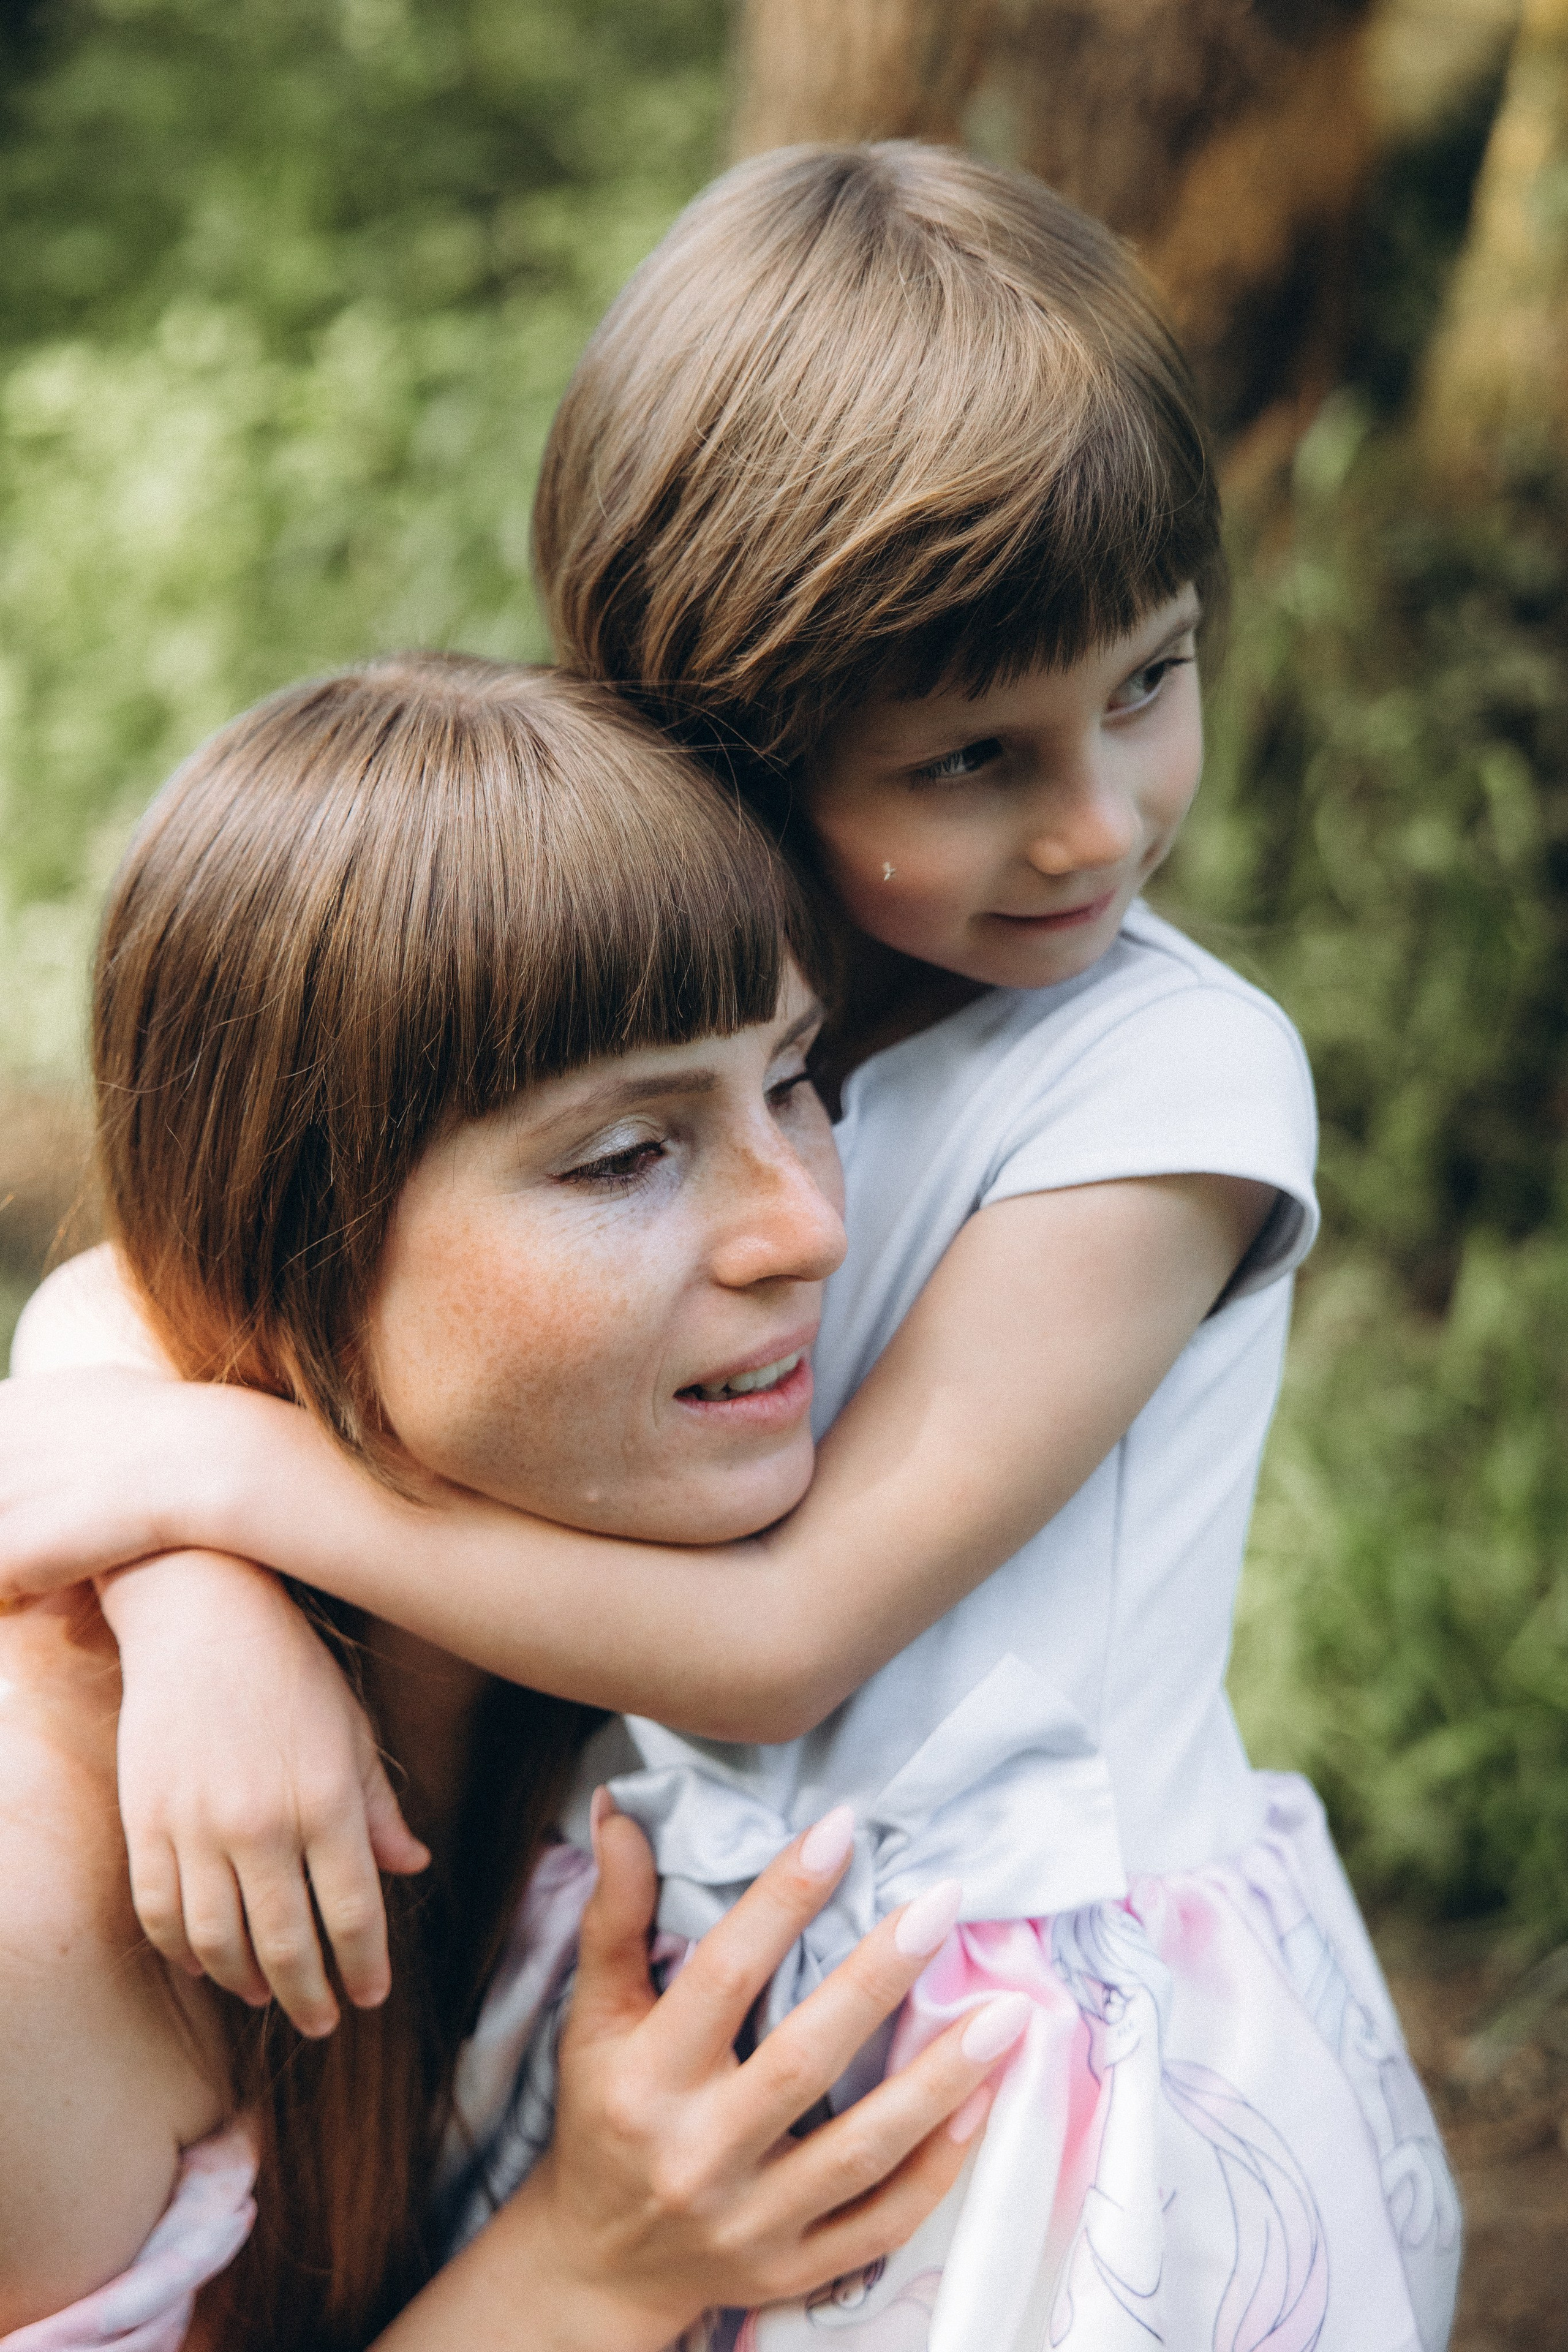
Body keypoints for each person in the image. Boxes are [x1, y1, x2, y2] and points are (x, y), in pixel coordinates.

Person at [0, 147, 1461, 2348]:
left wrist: (223, 1491)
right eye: (975, 753)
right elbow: (161, 1276)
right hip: (699, 1975)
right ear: (741, 726)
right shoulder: (691, 954)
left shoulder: (1162, 1085)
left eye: (1151, 683)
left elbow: (782, 1640)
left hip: (1014, 2059)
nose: (1097, 821)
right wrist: (203, 1614)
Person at [0, 655, 1022, 2351]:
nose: (808, 1230)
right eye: (626, 1156)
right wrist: (585, 2271)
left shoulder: (613, 1576)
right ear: (294, 1245)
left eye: (794, 1083)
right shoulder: (42, 1926)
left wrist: (200, 1559)